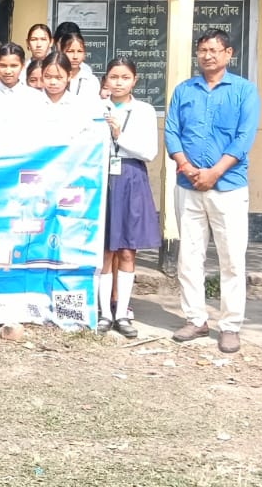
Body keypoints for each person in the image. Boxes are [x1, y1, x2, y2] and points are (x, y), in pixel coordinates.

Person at [165, 29, 260, 354]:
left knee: (231, 258)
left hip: (228, 187)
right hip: (188, 185)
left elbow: (244, 137)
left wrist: (215, 172)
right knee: (189, 257)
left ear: (228, 53)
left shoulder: (244, 91)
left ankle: (230, 326)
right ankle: (196, 318)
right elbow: (172, 131)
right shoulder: (184, 90)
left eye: (214, 50)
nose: (207, 55)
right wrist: (186, 166)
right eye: (203, 50)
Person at [97, 57, 161, 339]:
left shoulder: (144, 111)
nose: (119, 82)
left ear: (135, 80)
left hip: (132, 177)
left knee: (126, 249)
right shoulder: (97, 108)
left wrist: (119, 134)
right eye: (113, 77)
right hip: (102, 177)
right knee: (105, 250)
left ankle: (122, 313)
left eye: (125, 77)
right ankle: (104, 313)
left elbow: (149, 152)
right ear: (105, 80)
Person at [59, 30, 101, 98]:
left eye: (79, 51)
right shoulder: (53, 77)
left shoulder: (91, 81)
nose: (75, 56)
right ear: (61, 52)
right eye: (70, 51)